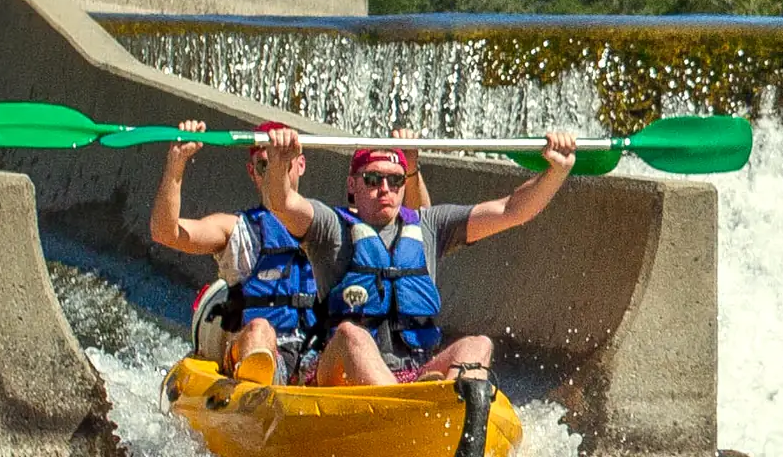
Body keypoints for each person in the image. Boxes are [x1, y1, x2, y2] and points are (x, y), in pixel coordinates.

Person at [252, 126, 576, 388]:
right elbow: (282, 203)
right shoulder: (329, 227)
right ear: (352, 185)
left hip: (413, 372)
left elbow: (512, 210)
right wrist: (279, 162)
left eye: (395, 180)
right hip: (341, 373)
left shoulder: (430, 226)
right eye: (372, 179)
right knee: (351, 334)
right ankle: (407, 411)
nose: (385, 188)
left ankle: (450, 415)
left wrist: (556, 172)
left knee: (478, 346)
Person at [153, 120, 429, 386]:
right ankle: (257, 392)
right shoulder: (237, 229)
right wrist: (176, 163)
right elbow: (166, 233)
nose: (275, 170)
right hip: (263, 353)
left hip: (317, 359)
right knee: (259, 329)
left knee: (353, 335)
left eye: (284, 160)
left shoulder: (335, 227)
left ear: (301, 165)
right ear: (252, 172)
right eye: (265, 164)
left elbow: (417, 226)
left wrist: (411, 167)